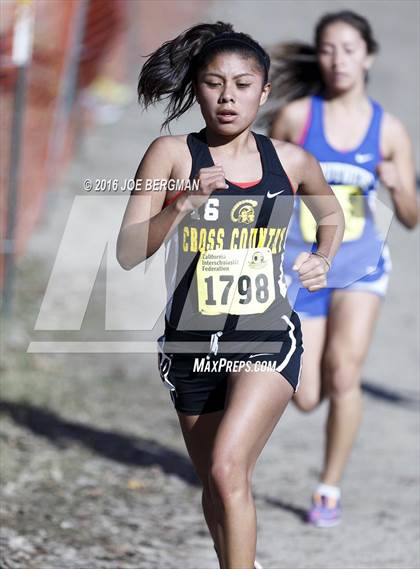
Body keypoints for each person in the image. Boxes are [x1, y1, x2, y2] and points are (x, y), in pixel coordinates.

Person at [117, 21, 344, 568]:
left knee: (226, 468)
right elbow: (128, 250)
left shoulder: (290, 162)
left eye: (243, 85)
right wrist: (182, 204)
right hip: (191, 342)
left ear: (263, 93)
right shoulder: (171, 154)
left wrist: (322, 257)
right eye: (214, 83)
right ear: (197, 87)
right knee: (218, 485)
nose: (227, 97)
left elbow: (330, 215)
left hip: (265, 336)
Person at [267, 10, 418, 527]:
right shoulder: (295, 120)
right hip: (303, 264)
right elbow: (262, 187)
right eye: (328, 49)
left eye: (349, 49)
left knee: (344, 372)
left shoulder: (390, 129)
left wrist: (399, 185)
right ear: (319, 55)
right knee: (307, 396)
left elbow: (411, 218)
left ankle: (328, 487)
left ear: (368, 56)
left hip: (361, 267)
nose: (338, 60)